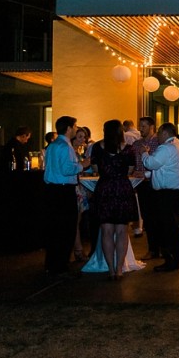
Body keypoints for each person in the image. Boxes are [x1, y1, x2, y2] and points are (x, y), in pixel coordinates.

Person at [42, 116, 91, 277]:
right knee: (66, 229)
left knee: (54, 229)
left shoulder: (53, 146)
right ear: (69, 128)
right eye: (75, 126)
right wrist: (82, 164)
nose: (77, 129)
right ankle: (60, 266)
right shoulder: (65, 146)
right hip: (64, 191)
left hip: (51, 190)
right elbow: (67, 169)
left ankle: (51, 264)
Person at [89, 120, 137, 280]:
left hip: (104, 189)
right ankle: (119, 269)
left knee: (106, 231)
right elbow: (130, 170)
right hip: (122, 188)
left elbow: (95, 169)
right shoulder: (128, 149)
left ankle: (110, 269)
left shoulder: (97, 147)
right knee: (122, 231)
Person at [142, 122, 179, 272]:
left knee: (167, 227)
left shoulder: (166, 148)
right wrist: (147, 175)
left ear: (165, 133)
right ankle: (174, 258)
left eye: (158, 133)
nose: (156, 136)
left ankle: (171, 259)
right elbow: (166, 168)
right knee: (173, 226)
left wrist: (145, 153)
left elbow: (152, 163)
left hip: (169, 193)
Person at [132, 117, 161, 260]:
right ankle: (152, 248)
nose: (141, 129)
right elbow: (134, 165)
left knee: (157, 218)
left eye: (143, 126)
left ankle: (159, 248)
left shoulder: (158, 143)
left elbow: (158, 164)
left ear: (151, 127)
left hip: (155, 183)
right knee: (147, 218)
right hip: (141, 185)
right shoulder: (137, 144)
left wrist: (142, 173)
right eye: (140, 126)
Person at [71, 127, 89, 262]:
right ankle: (78, 250)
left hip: (79, 187)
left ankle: (77, 249)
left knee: (78, 220)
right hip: (75, 188)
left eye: (84, 137)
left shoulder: (77, 151)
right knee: (75, 220)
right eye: (80, 137)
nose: (83, 140)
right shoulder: (71, 152)